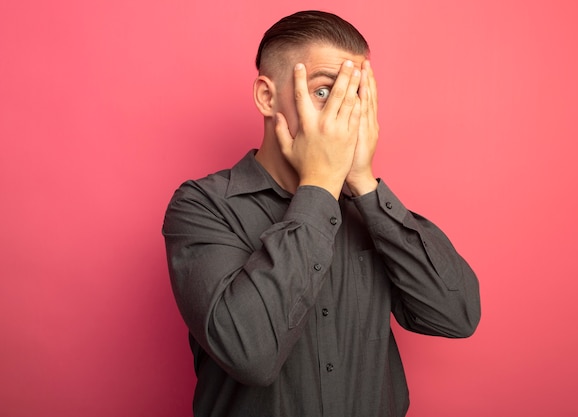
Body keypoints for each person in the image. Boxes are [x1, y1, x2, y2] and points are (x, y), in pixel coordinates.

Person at [163, 10, 481, 417]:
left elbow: (457, 316)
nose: (343, 115)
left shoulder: (369, 209)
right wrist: (319, 187)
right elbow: (250, 355)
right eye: (325, 92)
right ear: (266, 96)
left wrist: (363, 182)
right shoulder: (203, 206)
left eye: (356, 96)